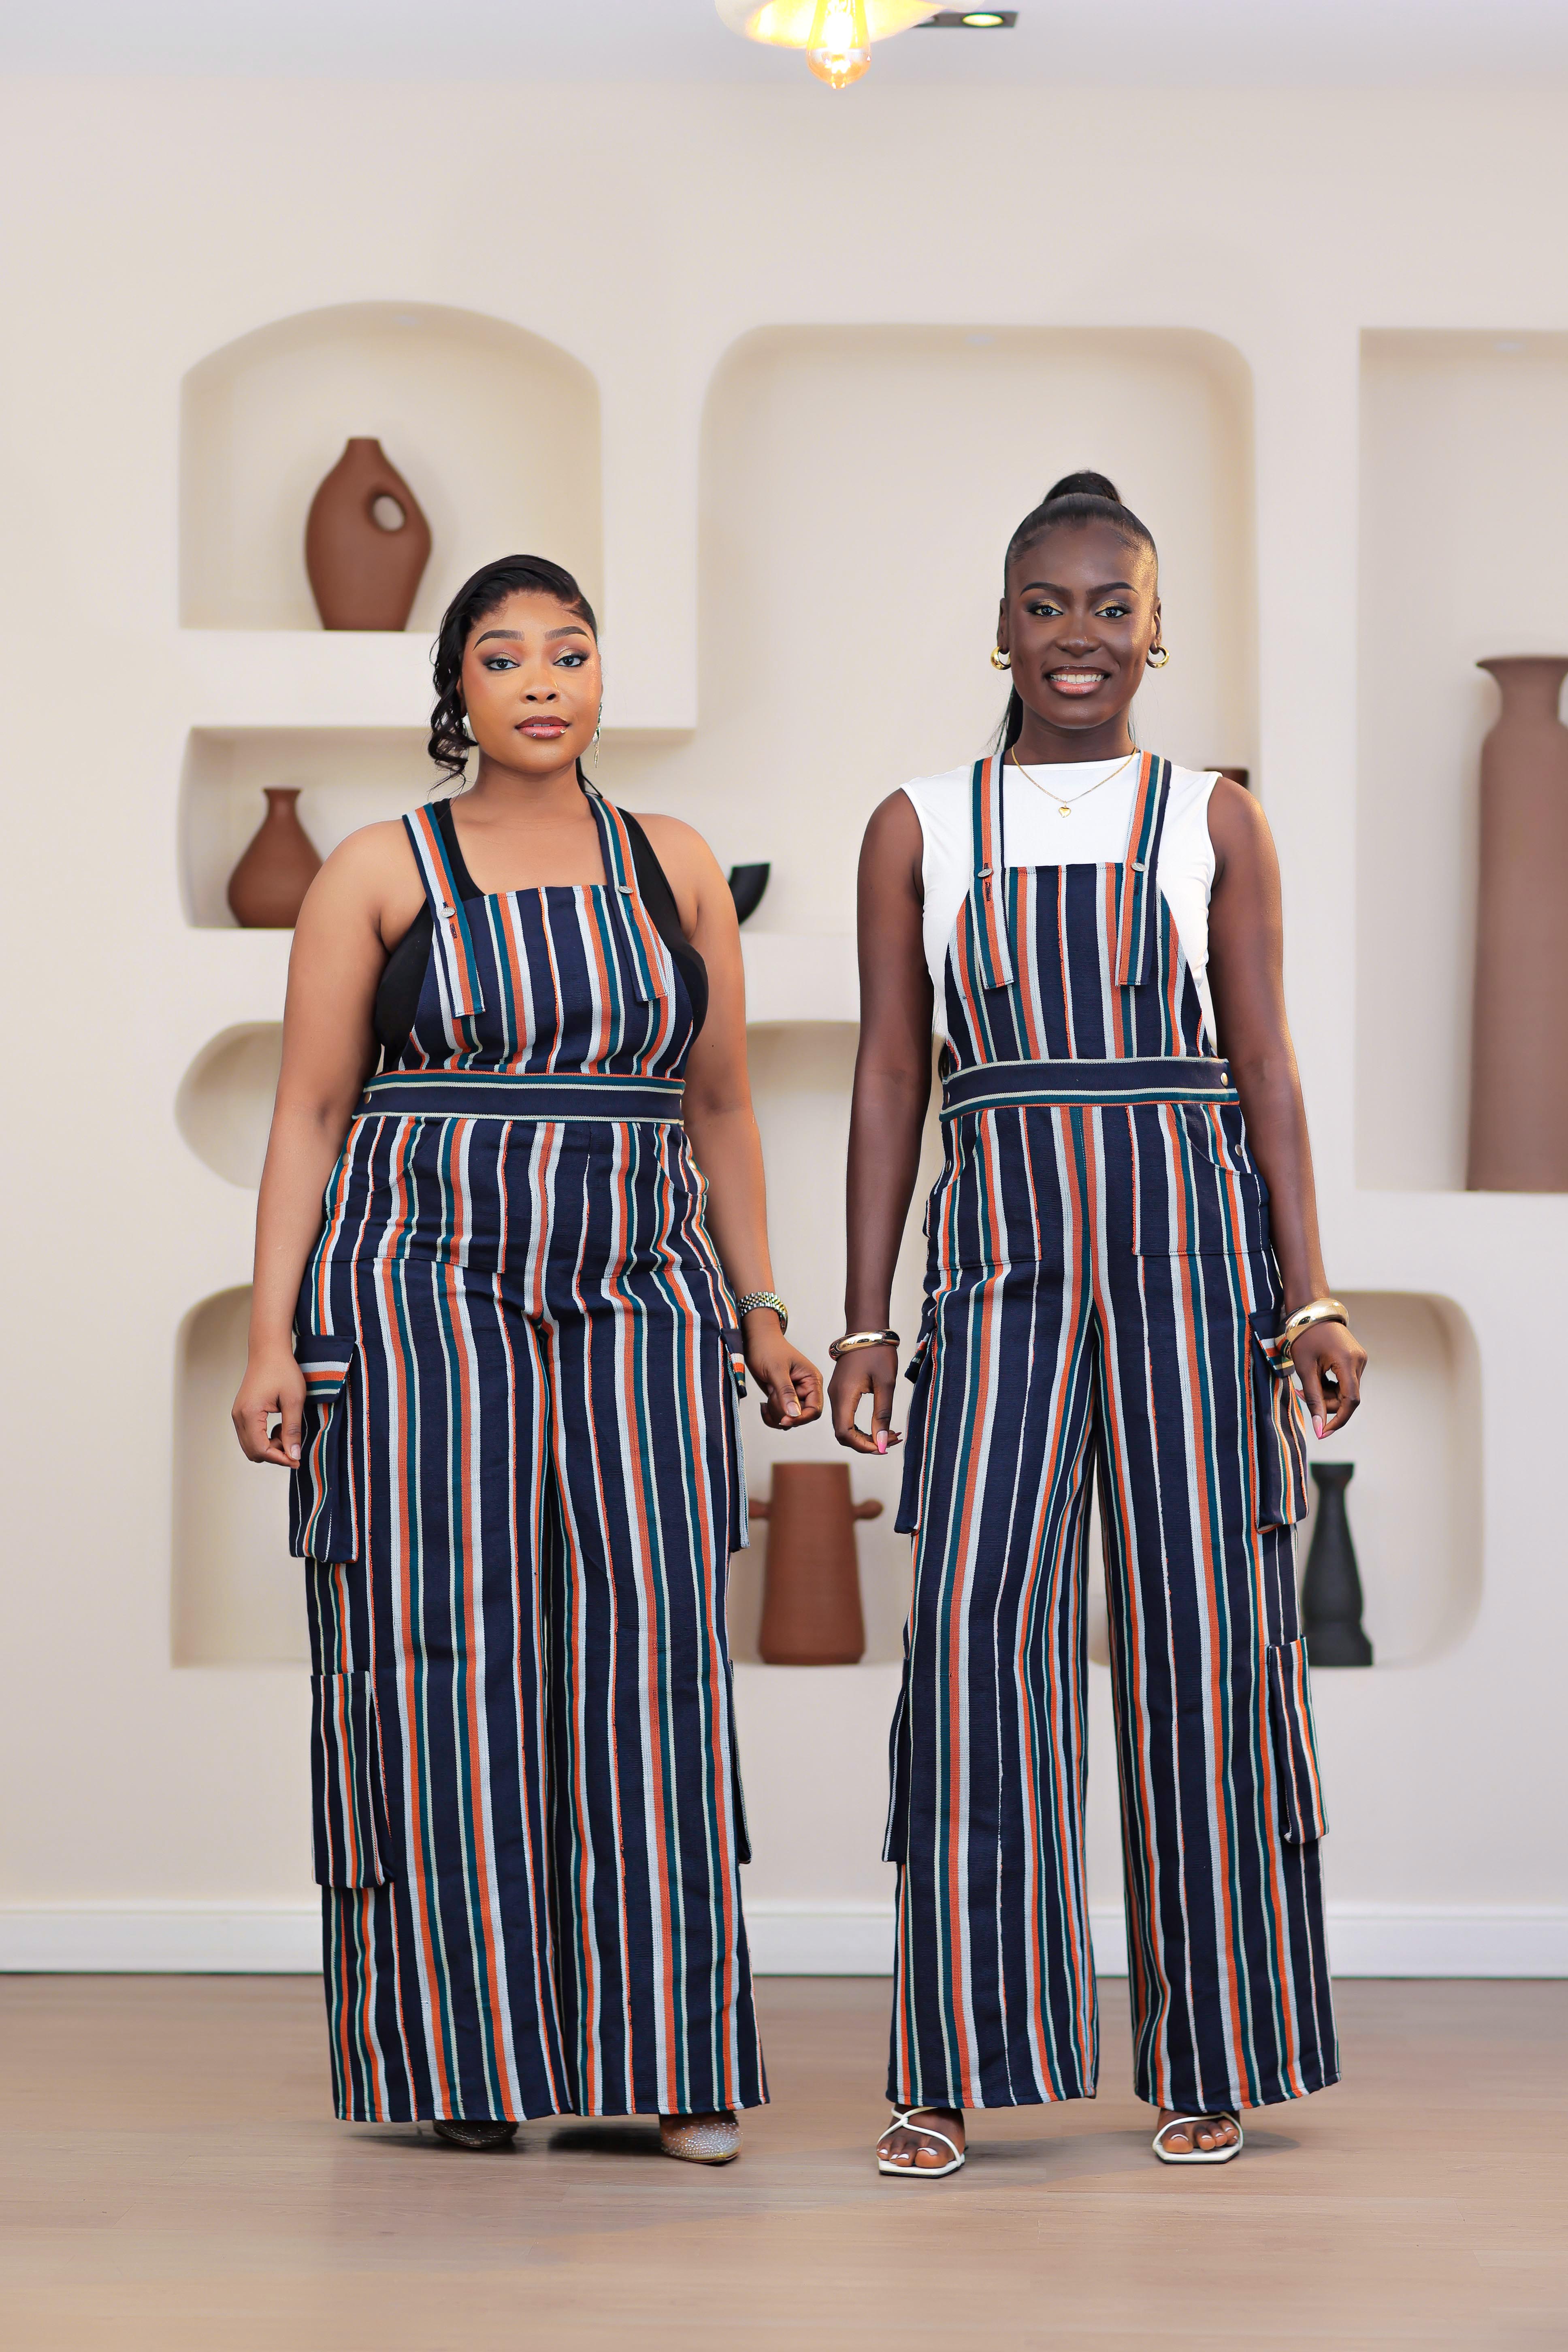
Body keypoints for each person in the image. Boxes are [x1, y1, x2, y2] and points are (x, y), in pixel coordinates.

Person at [233, 554, 820, 2165]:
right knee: (440, 1654)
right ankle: (463, 2067)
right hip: (418, 1289)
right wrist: (268, 1330)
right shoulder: (377, 867)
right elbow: (307, 1114)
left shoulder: (674, 865)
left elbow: (720, 1107)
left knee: (649, 1648)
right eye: (505, 657)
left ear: (602, 679)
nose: (543, 679)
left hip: (643, 1287)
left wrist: (763, 1313)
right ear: (459, 693)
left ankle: (670, 2067)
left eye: (570, 651)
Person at [830, 473, 1363, 2176]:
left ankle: (1208, 2049)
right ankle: (951, 2063)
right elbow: (885, 1079)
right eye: (1046, 607)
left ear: (1156, 629)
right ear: (998, 628)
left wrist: (1311, 1295)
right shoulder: (918, 821)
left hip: (1190, 1274)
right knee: (979, 1645)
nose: (1078, 638)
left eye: (1109, 606)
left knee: (1202, 1654)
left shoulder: (1213, 817)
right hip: (993, 1276)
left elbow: (1264, 1071)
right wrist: (859, 1321)